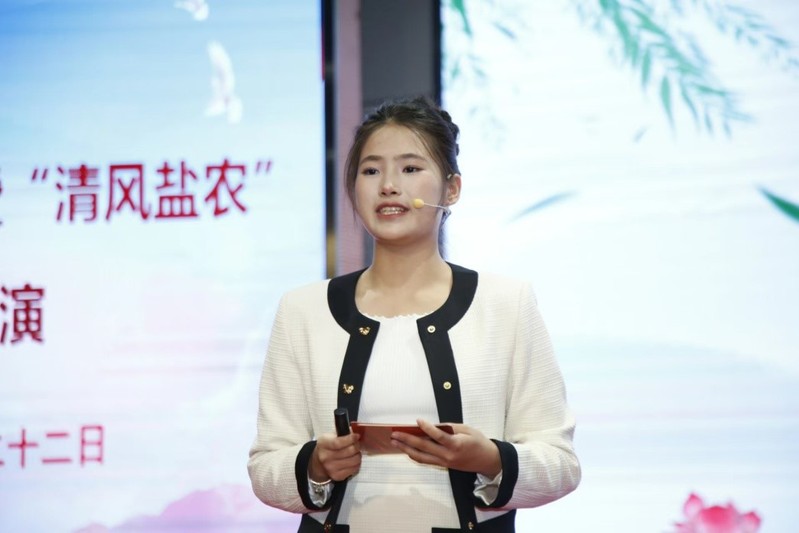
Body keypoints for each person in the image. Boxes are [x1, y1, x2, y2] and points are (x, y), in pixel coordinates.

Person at [248, 96, 580, 532]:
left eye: (410, 168)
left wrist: (489, 458)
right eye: (371, 171)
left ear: (452, 189)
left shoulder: (506, 304)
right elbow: (265, 466)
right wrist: (314, 464)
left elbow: (560, 463)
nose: (388, 186)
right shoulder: (303, 310)